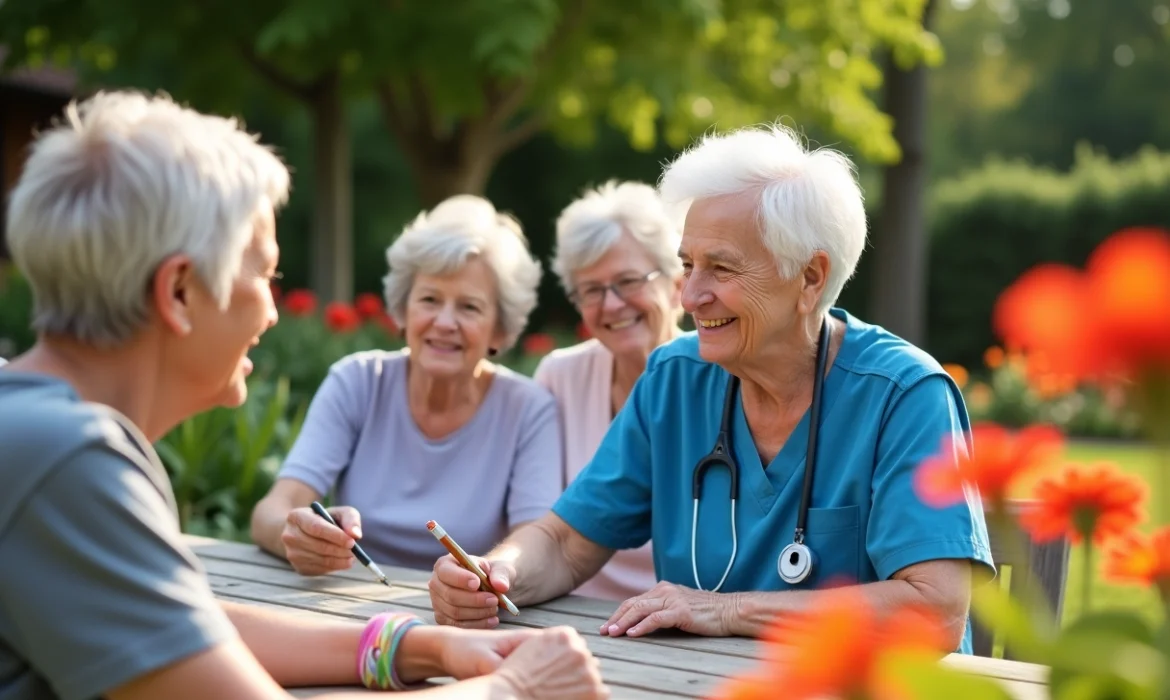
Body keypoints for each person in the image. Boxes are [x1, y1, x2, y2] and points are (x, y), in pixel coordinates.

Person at [0, 90, 607, 700]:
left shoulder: (34, 433)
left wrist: (422, 645)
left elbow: (186, 630)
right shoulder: (68, 462)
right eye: (265, 274)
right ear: (179, 292)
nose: (271, 310)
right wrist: (516, 689)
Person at [428, 123, 995, 655]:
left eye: (720, 269)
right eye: (687, 265)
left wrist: (725, 611)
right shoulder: (675, 379)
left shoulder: (905, 396)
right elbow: (564, 543)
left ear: (810, 277)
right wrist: (496, 571)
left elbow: (935, 610)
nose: (689, 295)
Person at [251, 195, 563, 579]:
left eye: (469, 307)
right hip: (351, 604)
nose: (445, 322)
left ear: (500, 327)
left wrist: (498, 572)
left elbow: (536, 539)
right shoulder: (357, 382)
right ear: (403, 308)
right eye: (430, 299)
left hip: (467, 612)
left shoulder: (529, 409)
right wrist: (297, 534)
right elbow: (273, 509)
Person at [532, 181, 684, 600]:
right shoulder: (559, 376)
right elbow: (539, 522)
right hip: (570, 608)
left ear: (677, 284)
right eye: (592, 290)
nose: (612, 304)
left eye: (628, 281)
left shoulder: (723, 377)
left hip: (687, 622)